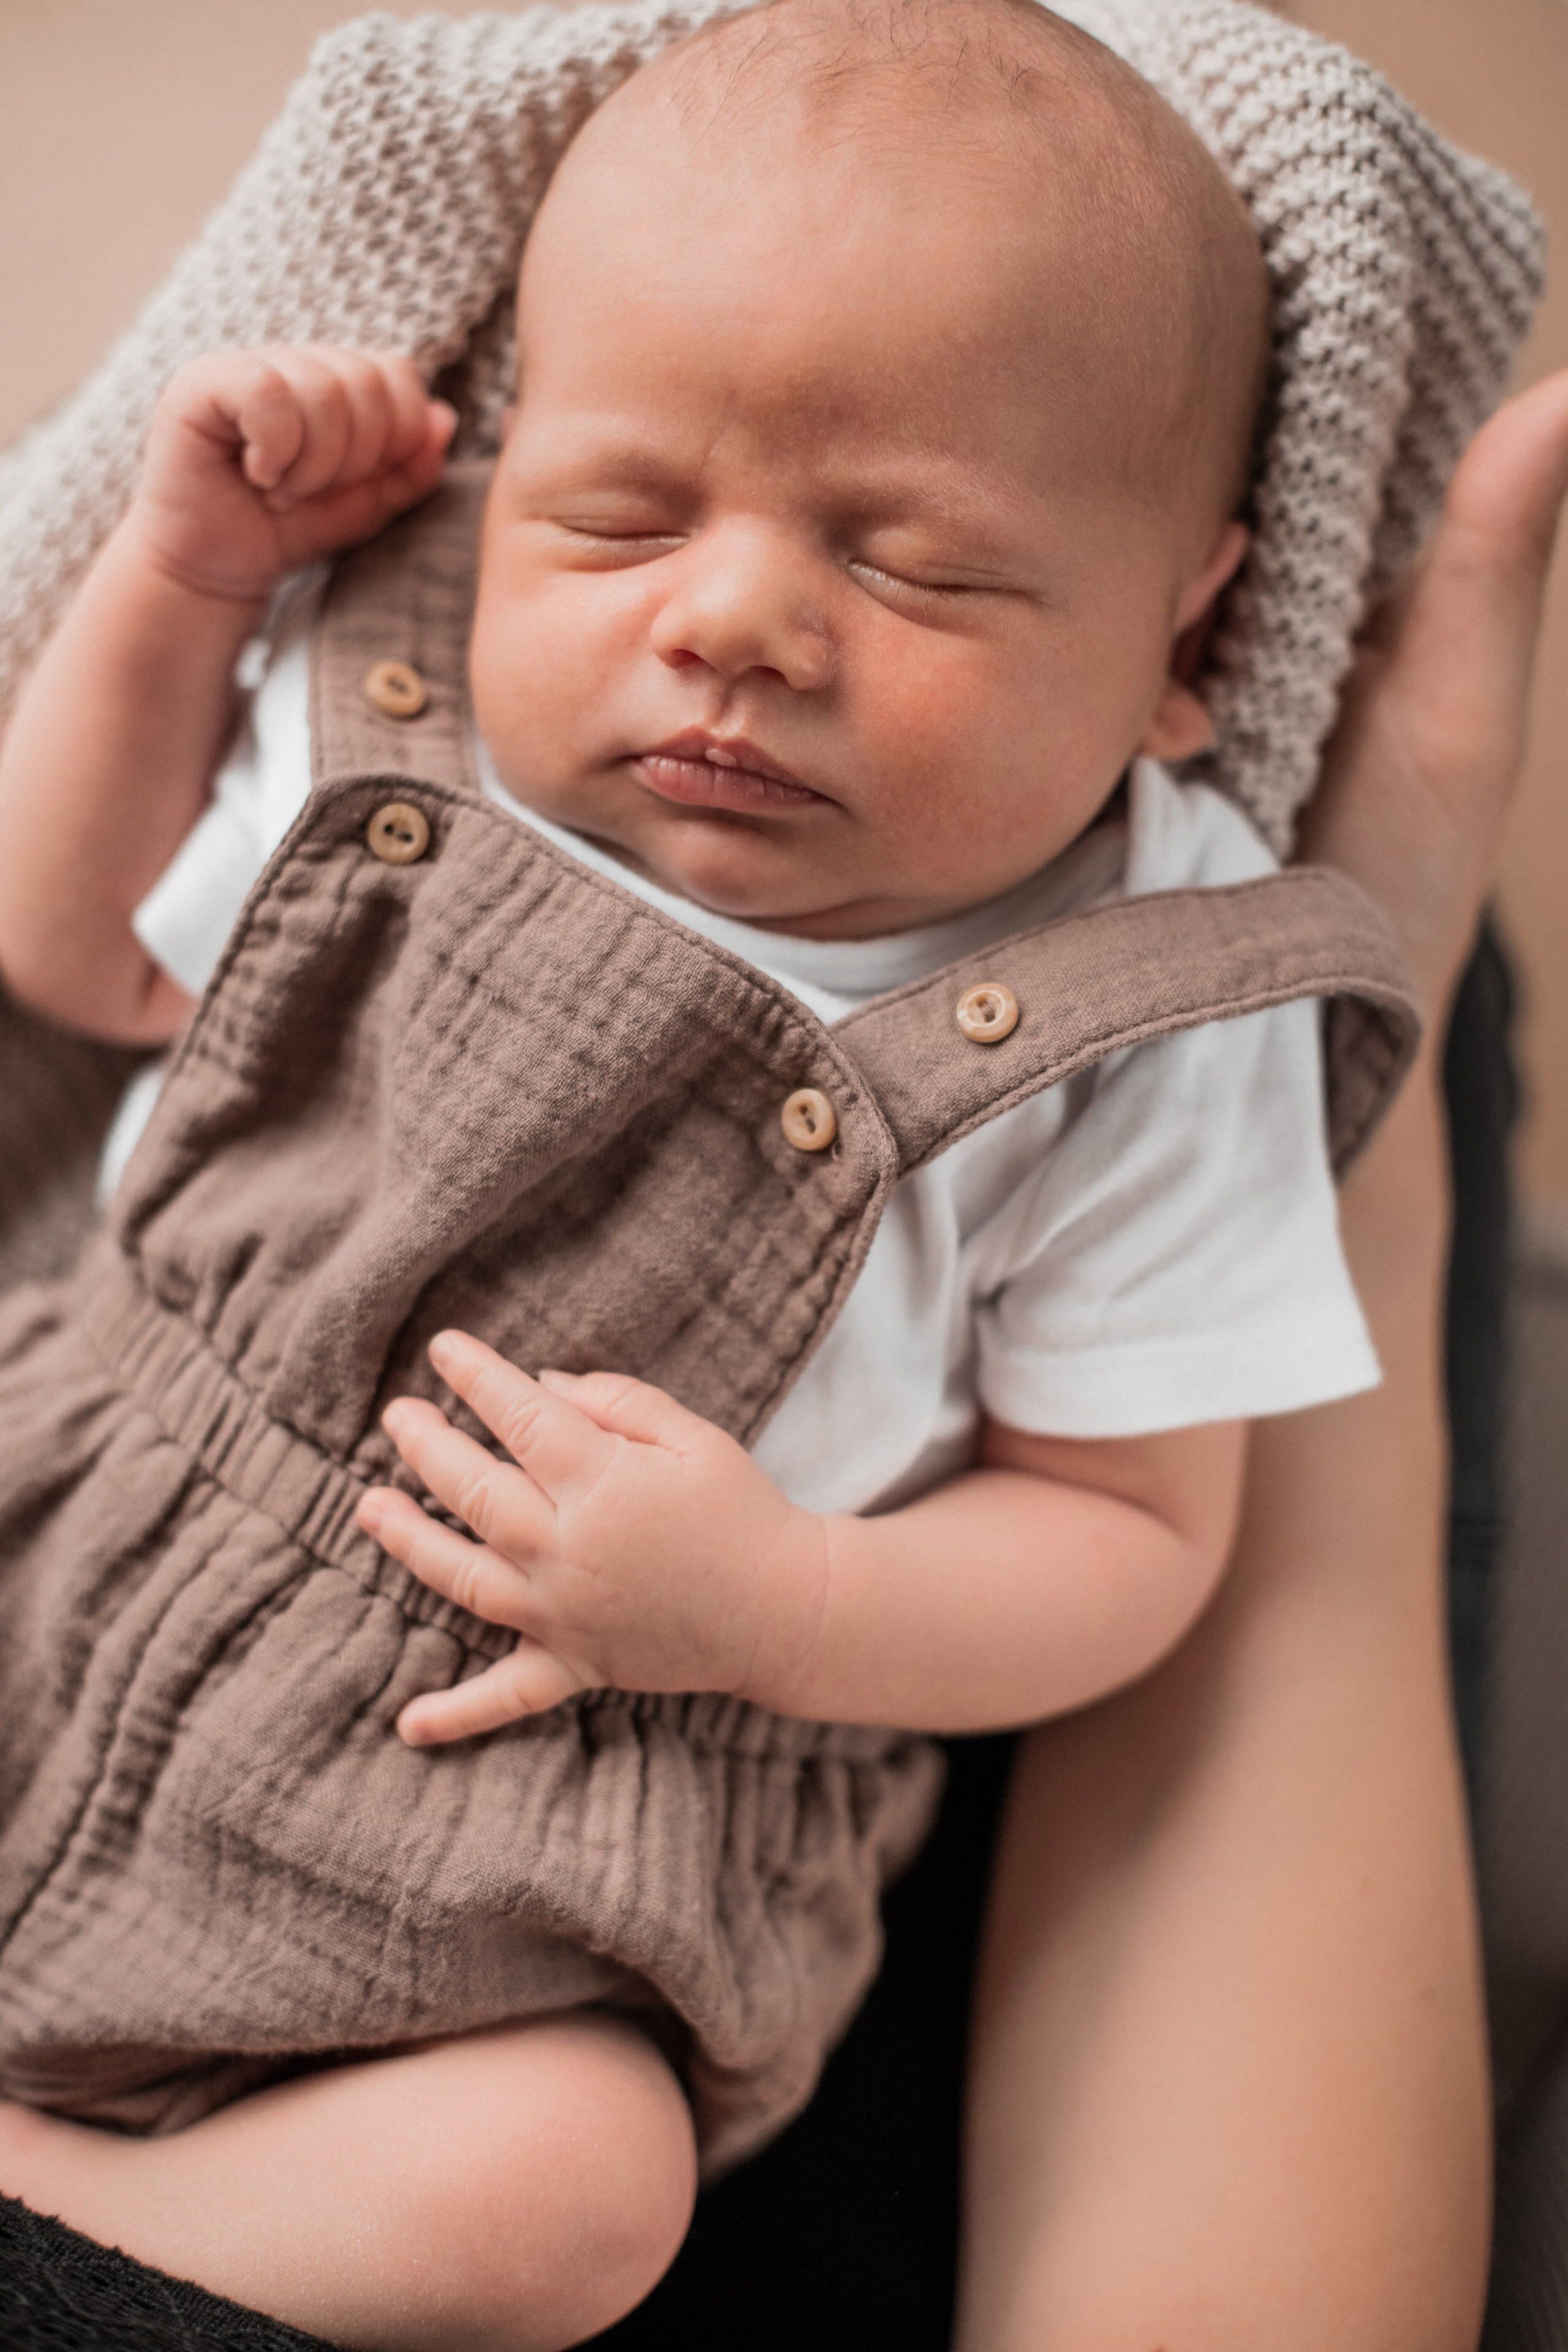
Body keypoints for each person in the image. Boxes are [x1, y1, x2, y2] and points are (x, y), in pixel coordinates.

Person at [0, 3, 1542, 2346]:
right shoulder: (403, 713)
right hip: (81, 1510)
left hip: (510, 1813)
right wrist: (178, 589)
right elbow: (79, 959)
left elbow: (1132, 1538)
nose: (725, 620)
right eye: (617, 518)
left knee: (569, 2199)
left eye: (914, 569)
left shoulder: (1153, 1015)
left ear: (1185, 637)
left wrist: (781, 1605)